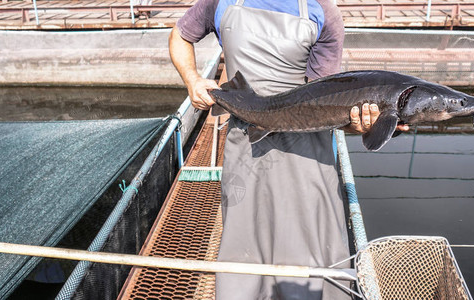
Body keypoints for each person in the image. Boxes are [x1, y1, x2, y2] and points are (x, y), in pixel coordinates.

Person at [169, 0, 406, 298]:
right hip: (246, 145)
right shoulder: (220, 1)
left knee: (307, 246)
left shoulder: (323, 11)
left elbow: (327, 101)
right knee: (244, 241)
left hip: (306, 151)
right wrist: (192, 79)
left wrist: (360, 124)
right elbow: (180, 35)